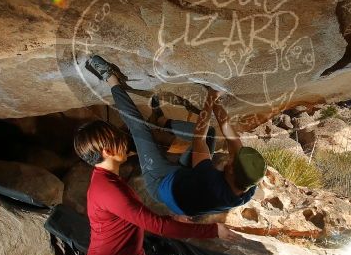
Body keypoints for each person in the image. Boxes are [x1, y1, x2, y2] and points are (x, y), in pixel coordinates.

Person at [73, 119, 245, 255]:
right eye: (119, 140)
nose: (125, 142)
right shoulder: (108, 189)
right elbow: (158, 228)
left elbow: (139, 218)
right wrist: (213, 230)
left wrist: (169, 217)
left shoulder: (108, 179)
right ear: (108, 151)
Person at [85, 53, 267, 218]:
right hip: (186, 180)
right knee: (212, 134)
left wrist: (210, 98)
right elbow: (229, 134)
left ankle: (110, 79)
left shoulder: (210, 182)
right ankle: (162, 121)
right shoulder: (248, 183)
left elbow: (199, 138)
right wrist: (216, 97)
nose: (231, 156)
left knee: (140, 128)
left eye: (232, 160)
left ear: (231, 170)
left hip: (161, 183)